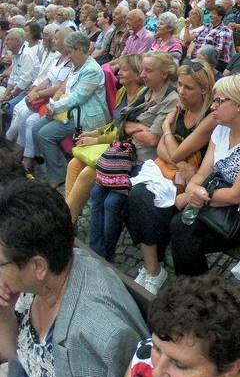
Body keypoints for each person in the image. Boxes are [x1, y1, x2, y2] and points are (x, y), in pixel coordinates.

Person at [0, 179, 147, 377]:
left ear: (38, 266)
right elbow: (13, 354)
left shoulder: (89, 336)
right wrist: (3, 313)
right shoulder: (43, 278)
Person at [168, 75, 240, 276]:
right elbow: (203, 172)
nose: (212, 107)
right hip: (215, 200)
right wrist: (193, 190)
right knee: (171, 216)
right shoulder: (221, 129)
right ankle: (188, 287)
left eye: (219, 101)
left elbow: (236, 195)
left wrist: (196, 197)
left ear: (239, 104)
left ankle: (195, 294)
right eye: (214, 101)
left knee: (183, 230)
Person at [126, 63, 216, 293]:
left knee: (144, 200)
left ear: (204, 90)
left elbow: (172, 150)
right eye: (180, 85)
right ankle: (152, 268)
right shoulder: (180, 107)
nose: (182, 91)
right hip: (170, 173)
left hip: (196, 181)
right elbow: (164, 153)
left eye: (189, 87)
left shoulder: (209, 117)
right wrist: (180, 161)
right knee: (135, 195)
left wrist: (166, 130)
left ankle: (155, 270)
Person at [89, 51, 180, 261]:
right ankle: (95, 250)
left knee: (112, 202)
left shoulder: (170, 99)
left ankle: (105, 256)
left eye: (149, 70)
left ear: (164, 74)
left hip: (144, 161)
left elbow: (152, 140)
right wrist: (134, 126)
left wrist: (130, 125)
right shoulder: (146, 91)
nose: (143, 74)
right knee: (96, 193)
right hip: (124, 155)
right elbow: (121, 121)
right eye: (142, 70)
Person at [64, 54, 143, 222]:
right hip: (113, 144)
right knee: (73, 164)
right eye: (119, 68)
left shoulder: (141, 98)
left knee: (87, 173)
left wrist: (96, 140)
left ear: (138, 74)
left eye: (124, 69)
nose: (119, 72)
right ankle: (70, 216)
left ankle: (66, 222)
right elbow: (114, 124)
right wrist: (92, 133)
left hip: (126, 151)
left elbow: (126, 132)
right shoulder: (122, 92)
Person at [32, 31, 108, 188]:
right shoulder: (77, 65)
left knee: (45, 134)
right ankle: (56, 168)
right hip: (70, 111)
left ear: (80, 49)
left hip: (85, 114)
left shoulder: (91, 70)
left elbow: (77, 98)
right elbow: (66, 90)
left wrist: (53, 106)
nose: (68, 55)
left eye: (70, 51)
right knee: (35, 127)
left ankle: (58, 175)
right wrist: (56, 102)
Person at [5, 27, 72, 175]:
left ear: (65, 42)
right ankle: (20, 152)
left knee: (30, 121)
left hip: (58, 102)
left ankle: (27, 158)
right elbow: (48, 79)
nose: (52, 40)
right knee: (22, 115)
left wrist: (38, 94)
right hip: (45, 98)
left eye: (56, 38)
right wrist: (35, 91)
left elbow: (59, 87)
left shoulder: (69, 62)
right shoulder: (57, 57)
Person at [188, 5, 233, 72]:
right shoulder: (206, 27)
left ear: (220, 17)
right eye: (210, 13)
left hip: (214, 63)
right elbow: (195, 41)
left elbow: (219, 52)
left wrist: (200, 57)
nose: (210, 15)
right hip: (198, 59)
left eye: (214, 14)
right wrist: (189, 54)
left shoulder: (224, 31)